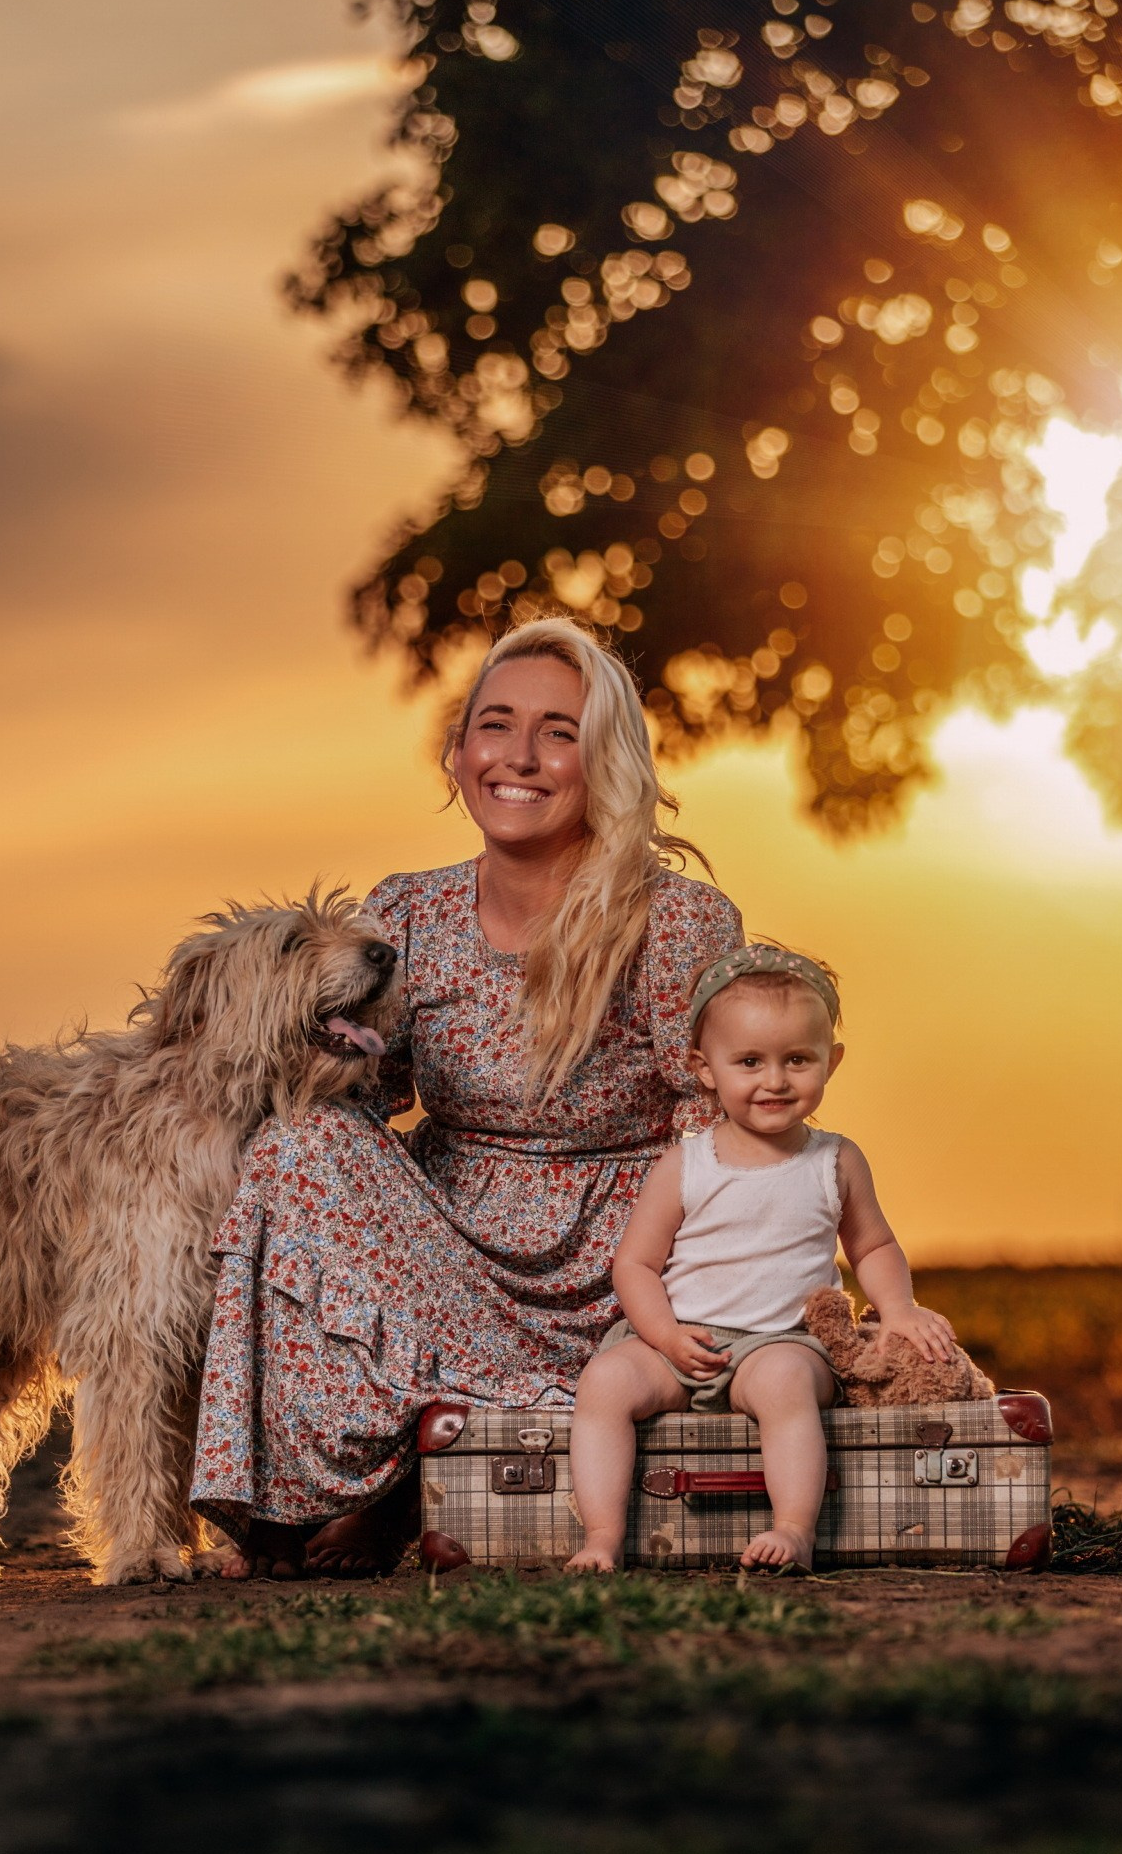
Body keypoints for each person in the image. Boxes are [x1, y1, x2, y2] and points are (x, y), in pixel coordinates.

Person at [192, 614, 743, 1577]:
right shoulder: (407, 911)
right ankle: (297, 1494)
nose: (518, 757)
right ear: (457, 753)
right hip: (446, 1238)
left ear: (603, 758)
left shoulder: (676, 917)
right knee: (298, 1144)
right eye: (495, 725)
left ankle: (411, 1479)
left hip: (616, 1264)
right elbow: (367, 1095)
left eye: (559, 732)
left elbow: (717, 1121)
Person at [565, 942, 958, 1575]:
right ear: (705, 1067)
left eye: (797, 1060)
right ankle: (603, 1536)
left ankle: (794, 1528)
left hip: (782, 1341)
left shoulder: (835, 1160)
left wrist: (898, 1307)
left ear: (832, 1062)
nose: (774, 1080)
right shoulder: (684, 1165)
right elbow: (635, 1265)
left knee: (783, 1385)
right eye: (749, 1061)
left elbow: (874, 1245)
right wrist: (663, 1335)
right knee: (605, 1383)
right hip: (683, 1342)